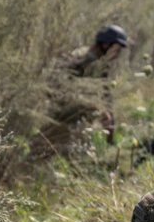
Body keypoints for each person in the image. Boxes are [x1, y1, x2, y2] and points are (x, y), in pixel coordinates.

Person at [40, 24, 130, 153]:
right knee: (49, 149)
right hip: (62, 114)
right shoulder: (84, 59)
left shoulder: (101, 64)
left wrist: (110, 133)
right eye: (117, 49)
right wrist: (96, 108)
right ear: (106, 45)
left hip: (73, 118)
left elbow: (105, 96)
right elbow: (59, 85)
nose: (117, 54)